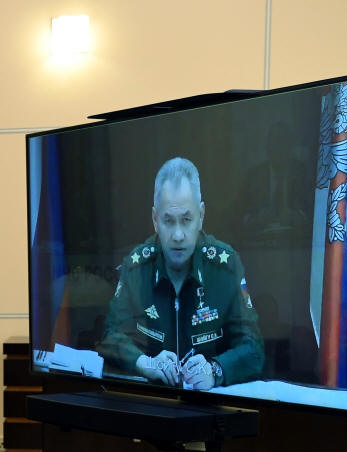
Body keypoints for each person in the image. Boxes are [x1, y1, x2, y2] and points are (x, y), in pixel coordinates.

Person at [99, 157, 263, 388]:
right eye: (168, 221)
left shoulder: (226, 266)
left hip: (208, 403)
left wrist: (215, 370)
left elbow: (253, 348)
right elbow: (110, 336)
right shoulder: (136, 268)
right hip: (153, 402)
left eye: (186, 220)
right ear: (155, 219)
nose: (178, 235)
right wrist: (144, 363)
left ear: (201, 216)